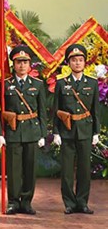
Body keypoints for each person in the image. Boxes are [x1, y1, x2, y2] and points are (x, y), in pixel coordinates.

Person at [0, 46, 47, 215]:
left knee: (30, 169)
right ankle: (13, 202)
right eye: (18, 62)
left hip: (32, 131)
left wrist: (42, 134)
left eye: (25, 62)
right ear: (13, 64)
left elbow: (42, 111)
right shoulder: (5, 85)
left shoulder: (38, 85)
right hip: (13, 131)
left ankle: (26, 202)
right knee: (14, 170)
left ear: (30, 64)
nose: (22, 65)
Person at [52, 44, 100, 215]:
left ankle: (82, 202)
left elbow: (95, 110)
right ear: (68, 63)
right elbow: (56, 109)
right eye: (74, 60)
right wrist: (56, 132)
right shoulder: (61, 83)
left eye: (80, 60)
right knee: (66, 170)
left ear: (85, 62)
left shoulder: (92, 83)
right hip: (66, 130)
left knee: (84, 169)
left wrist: (96, 132)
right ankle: (69, 203)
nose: (77, 63)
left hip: (85, 130)